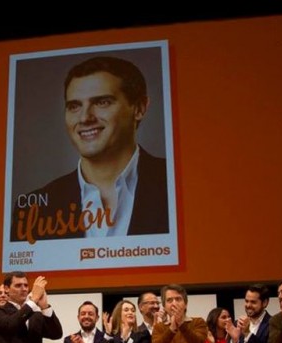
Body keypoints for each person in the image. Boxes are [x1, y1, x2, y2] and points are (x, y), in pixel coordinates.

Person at [11, 56, 168, 243]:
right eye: (74, 106)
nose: (85, 118)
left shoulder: (175, 184)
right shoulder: (33, 209)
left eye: (102, 102)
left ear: (139, 108)